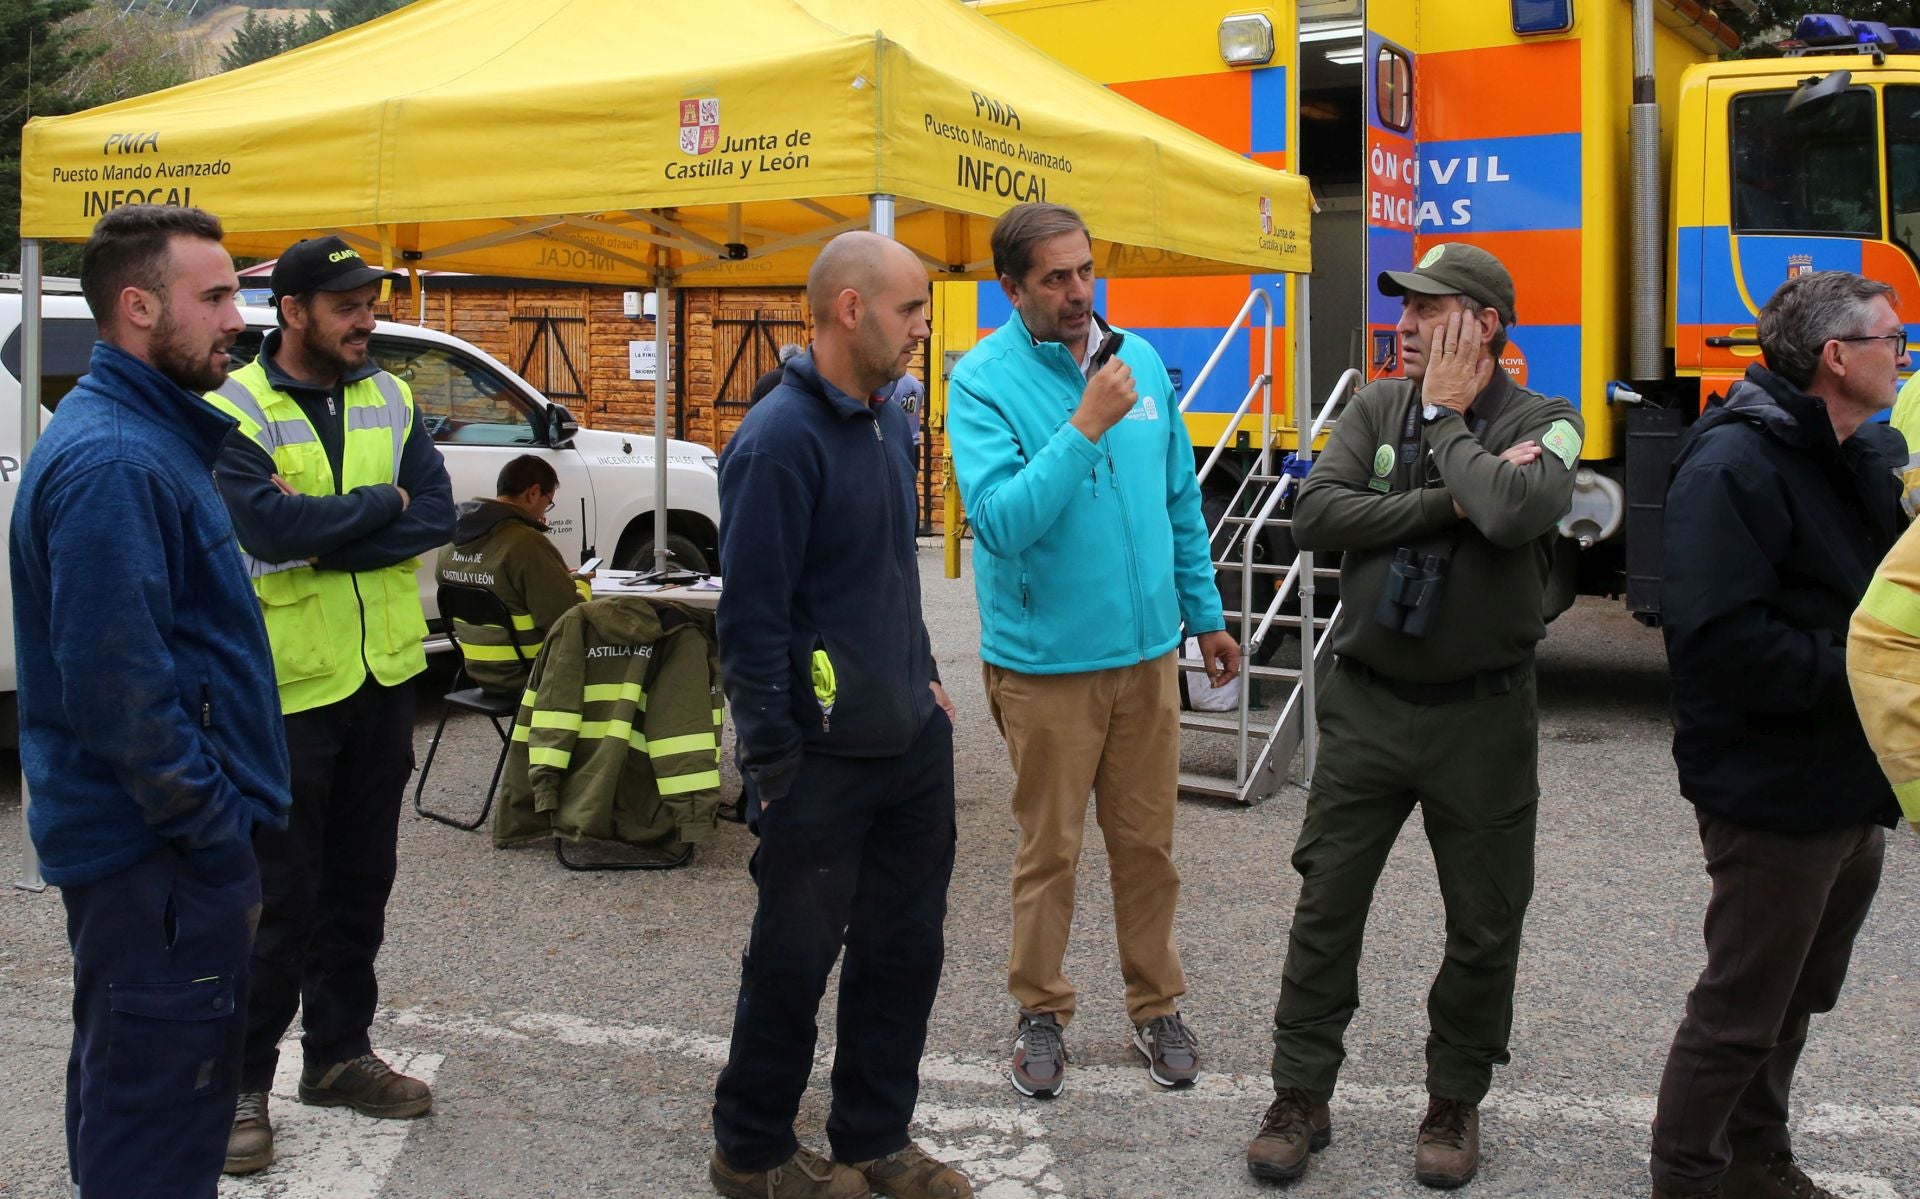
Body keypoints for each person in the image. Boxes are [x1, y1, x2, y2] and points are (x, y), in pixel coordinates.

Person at [1246, 243, 1583, 1190]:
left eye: (1431, 309)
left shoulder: (1550, 420)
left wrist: (1448, 425)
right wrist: (1448, 497)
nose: (1405, 324)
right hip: (1368, 705)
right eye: (1407, 307)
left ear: (1485, 327)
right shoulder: (1371, 406)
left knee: (1483, 919)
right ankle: (1300, 1093)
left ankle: (1453, 1098)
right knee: (1326, 903)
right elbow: (1314, 515)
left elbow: (1516, 512)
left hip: (1481, 717)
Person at [10, 204, 292, 1197]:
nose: (240, 318)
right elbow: (121, 692)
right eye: (215, 296)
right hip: (157, 860)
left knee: (138, 1089)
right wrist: (215, 836)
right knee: (156, 1121)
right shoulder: (116, 461)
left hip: (162, 859)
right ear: (137, 307)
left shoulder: (150, 437)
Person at [946, 201, 1239, 1100]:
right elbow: (998, 523)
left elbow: (1177, 498)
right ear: (1012, 288)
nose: (1079, 292)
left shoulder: (1138, 357)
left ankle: (1157, 1007)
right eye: (1056, 278)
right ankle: (1040, 1008)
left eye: (1085, 271)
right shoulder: (982, 380)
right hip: (1046, 668)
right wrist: (1083, 426)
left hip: (1147, 656)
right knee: (1051, 851)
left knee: (1148, 847)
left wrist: (1206, 612)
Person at [709, 231, 971, 1199]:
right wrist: (776, 768)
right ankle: (750, 1148)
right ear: (851, 310)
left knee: (905, 949)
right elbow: (751, 622)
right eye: (910, 311)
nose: (922, 329)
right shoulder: (776, 443)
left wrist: (927, 680)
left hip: (908, 745)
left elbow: (890, 578)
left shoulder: (888, 422)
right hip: (818, 763)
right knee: (792, 957)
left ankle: (874, 1134)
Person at [1651, 270, 1907, 1199]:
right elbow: (1721, 646)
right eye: (1893, 340)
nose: (1905, 354)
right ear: (1838, 358)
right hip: (1772, 793)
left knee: (1794, 995)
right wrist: (1871, 668)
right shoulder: (1734, 465)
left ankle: (1755, 1160)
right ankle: (1684, 1178)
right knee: (1738, 1009)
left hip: (1846, 784)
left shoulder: (1860, 455)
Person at [205, 234, 456, 1175]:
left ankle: (339, 1055)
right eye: (348, 304)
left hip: (383, 683)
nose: (368, 318)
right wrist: (376, 509)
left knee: (360, 887)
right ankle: (240, 1083)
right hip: (286, 693)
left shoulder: (388, 395)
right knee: (278, 902)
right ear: (294, 310)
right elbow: (261, 527)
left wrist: (335, 530)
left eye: (372, 300)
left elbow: (436, 511)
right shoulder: (238, 404)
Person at [436, 453, 589, 693]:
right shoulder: (525, 543)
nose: (544, 511)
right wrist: (578, 583)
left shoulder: (450, 542)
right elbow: (564, 618)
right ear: (534, 492)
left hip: (476, 671)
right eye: (548, 501)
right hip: (530, 673)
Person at [748, 342, 805, 406]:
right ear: (800, 358)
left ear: (781, 357)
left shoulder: (763, 381)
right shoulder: (805, 381)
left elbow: (752, 409)